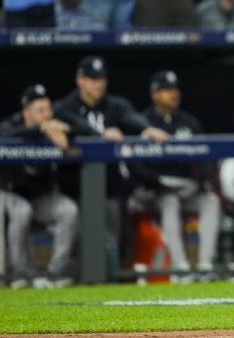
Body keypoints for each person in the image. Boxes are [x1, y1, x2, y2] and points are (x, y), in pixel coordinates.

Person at [53, 56, 169, 275]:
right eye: (92, 79)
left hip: (110, 188)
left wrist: (146, 128)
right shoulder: (65, 106)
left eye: (101, 79)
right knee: (80, 242)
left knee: (112, 241)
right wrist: (100, 134)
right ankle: (70, 278)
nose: (98, 84)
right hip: (75, 189)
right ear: (80, 80)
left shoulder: (115, 105)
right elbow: (73, 123)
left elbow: (131, 117)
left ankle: (111, 279)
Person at [130, 70, 220, 279]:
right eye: (166, 89)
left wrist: (204, 181)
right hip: (151, 190)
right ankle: (180, 267)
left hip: (184, 187)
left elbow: (205, 157)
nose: (173, 93)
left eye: (174, 89)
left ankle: (205, 264)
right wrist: (154, 182)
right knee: (169, 201)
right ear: (154, 94)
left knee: (210, 200)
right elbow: (133, 164)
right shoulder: (142, 122)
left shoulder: (188, 122)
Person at [0, 84, 78, 288]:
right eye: (40, 110)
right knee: (22, 211)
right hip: (11, 195)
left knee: (68, 210)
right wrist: (39, 130)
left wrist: (67, 131)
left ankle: (55, 272)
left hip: (41, 197)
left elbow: (79, 130)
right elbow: (5, 134)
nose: (47, 114)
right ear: (27, 113)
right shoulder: (12, 125)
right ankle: (21, 273)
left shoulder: (55, 127)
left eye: (48, 109)